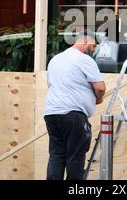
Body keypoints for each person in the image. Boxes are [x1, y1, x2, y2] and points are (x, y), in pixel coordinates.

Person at [44, 29, 106, 180]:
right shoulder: (84, 59)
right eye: (93, 45)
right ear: (85, 41)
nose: (94, 49)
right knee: (75, 158)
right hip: (73, 115)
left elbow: (51, 85)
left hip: (52, 114)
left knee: (56, 155)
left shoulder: (55, 59)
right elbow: (100, 87)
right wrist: (98, 99)